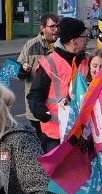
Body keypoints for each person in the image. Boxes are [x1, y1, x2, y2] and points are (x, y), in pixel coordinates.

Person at [27, 17, 89, 152]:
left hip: (85, 133)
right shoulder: (49, 63)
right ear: (74, 40)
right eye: (85, 37)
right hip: (55, 134)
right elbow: (34, 95)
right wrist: (39, 110)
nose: (87, 40)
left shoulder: (89, 61)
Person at [17, 13, 60, 137]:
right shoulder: (30, 46)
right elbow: (18, 72)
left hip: (57, 107)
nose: (56, 30)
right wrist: (23, 69)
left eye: (57, 26)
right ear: (42, 28)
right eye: (52, 27)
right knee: (39, 143)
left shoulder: (62, 46)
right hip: (36, 107)